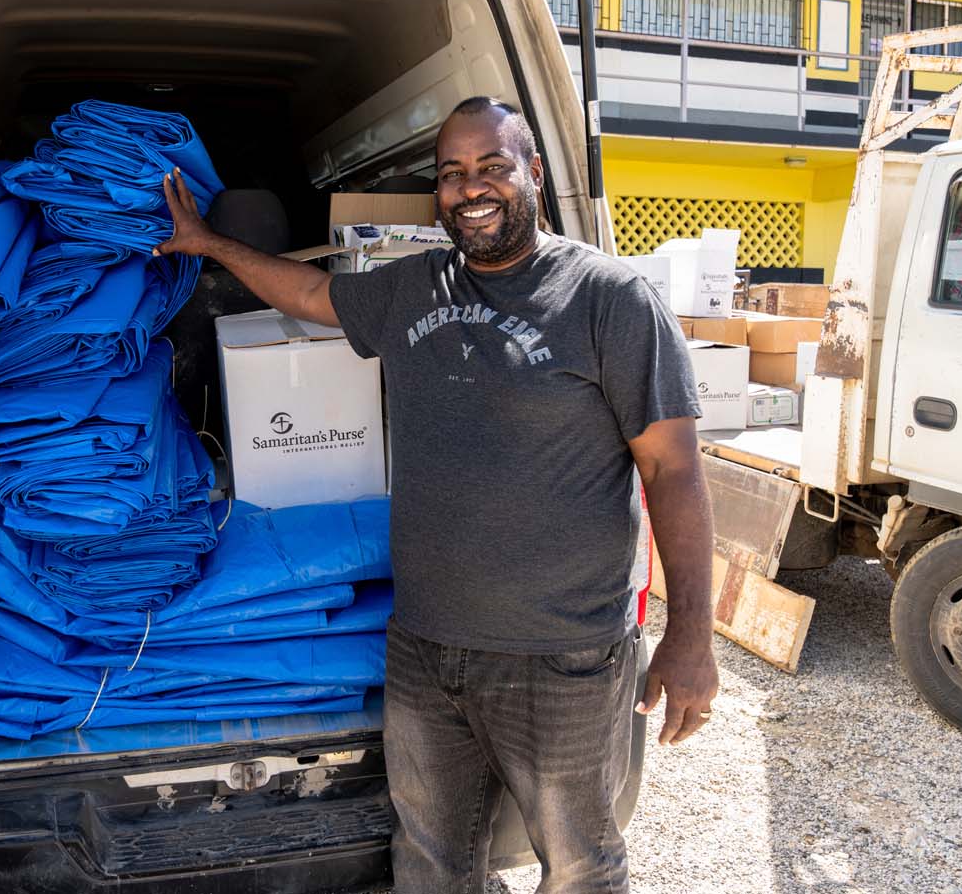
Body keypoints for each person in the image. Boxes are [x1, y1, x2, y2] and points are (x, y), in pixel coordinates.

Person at [157, 96, 718, 894]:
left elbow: (674, 471)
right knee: (428, 864)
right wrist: (211, 244)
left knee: (579, 867)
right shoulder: (411, 287)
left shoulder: (609, 299)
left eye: (491, 166)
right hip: (425, 648)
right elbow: (311, 296)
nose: (470, 188)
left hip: (559, 658)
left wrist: (691, 635)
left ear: (532, 171)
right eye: (451, 174)